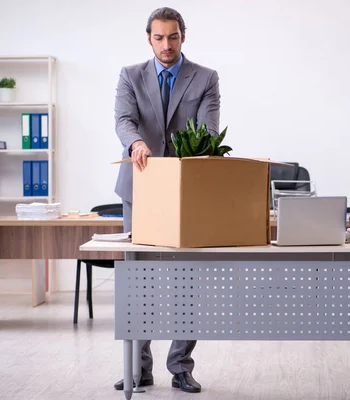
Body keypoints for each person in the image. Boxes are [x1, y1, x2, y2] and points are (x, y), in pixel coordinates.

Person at [113, 6, 220, 394]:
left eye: (173, 37)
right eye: (159, 37)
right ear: (149, 38)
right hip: (139, 189)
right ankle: (138, 369)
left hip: (186, 193)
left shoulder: (206, 78)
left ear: (183, 36)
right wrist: (137, 141)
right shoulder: (130, 75)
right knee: (138, 282)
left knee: (186, 283)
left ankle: (180, 367)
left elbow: (208, 130)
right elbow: (124, 120)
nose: (166, 44)